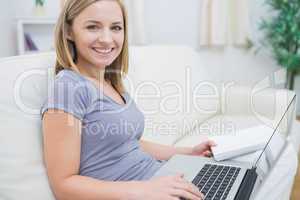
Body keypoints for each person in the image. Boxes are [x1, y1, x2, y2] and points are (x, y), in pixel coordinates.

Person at [41, 0, 216, 199]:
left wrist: (188, 152)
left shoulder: (112, 83)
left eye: (116, 27)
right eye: (92, 27)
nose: (107, 39)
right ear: (68, 31)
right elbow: (63, 185)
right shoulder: (68, 86)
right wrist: (145, 190)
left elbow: (129, 143)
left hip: (163, 183)